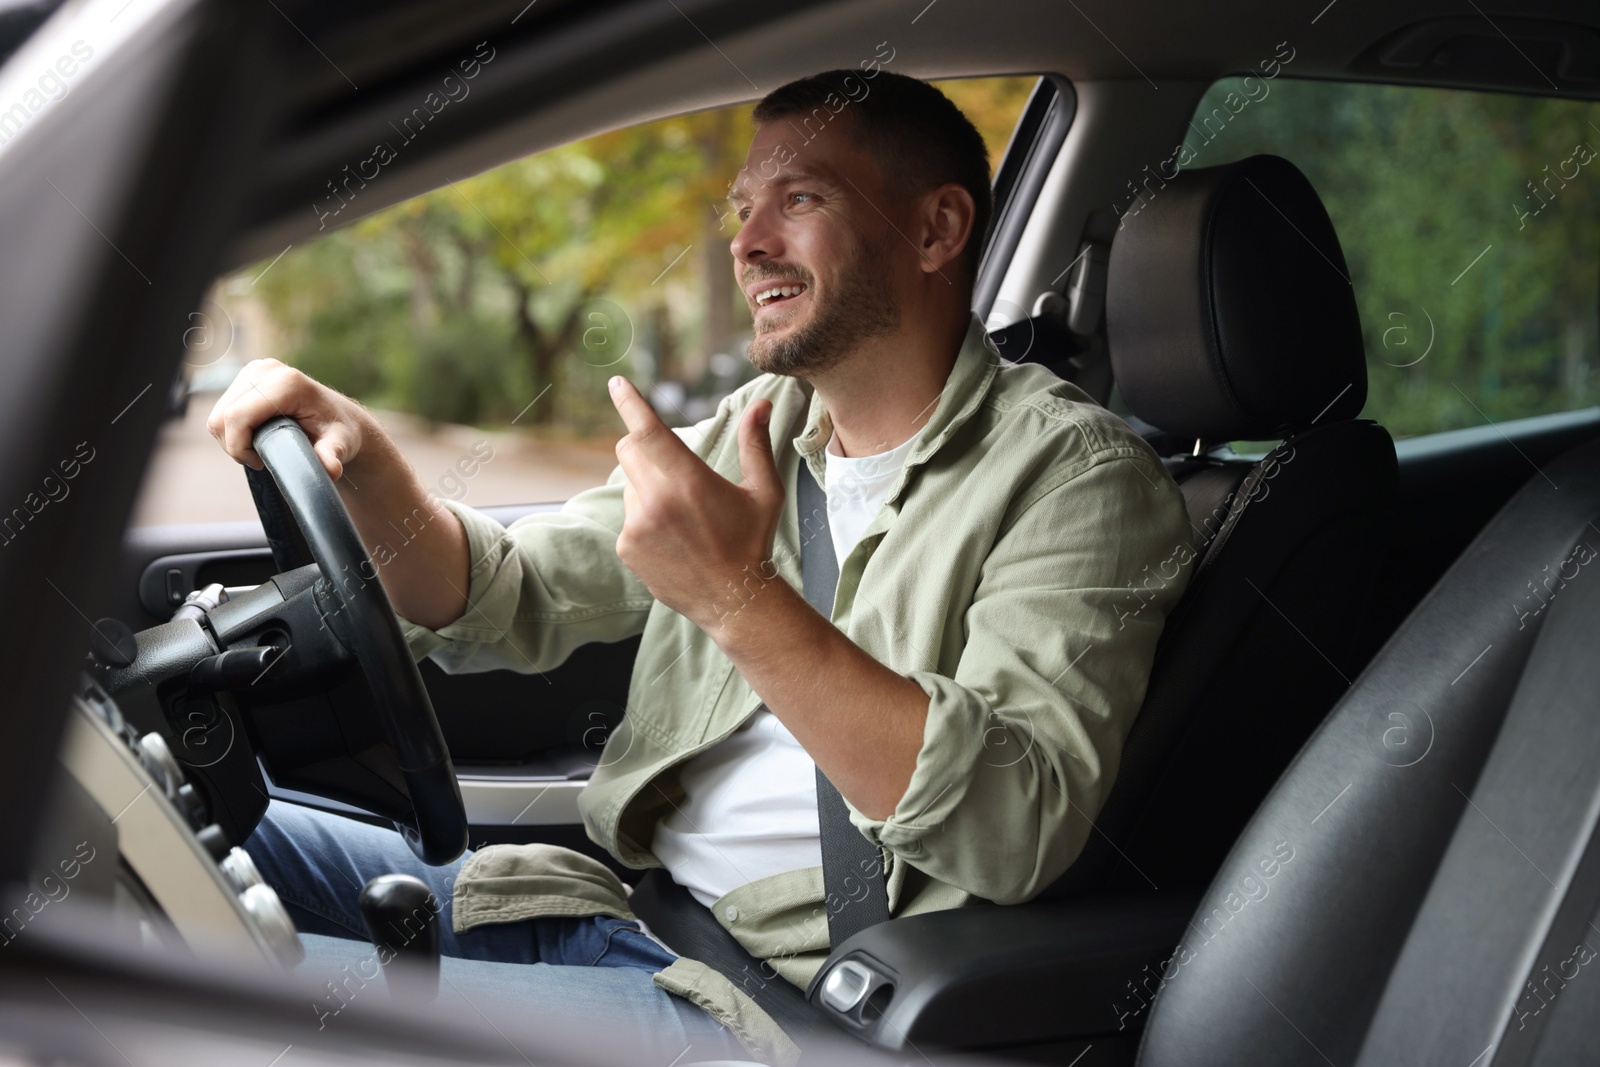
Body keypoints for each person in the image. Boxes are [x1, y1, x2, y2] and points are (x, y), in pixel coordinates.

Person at [208, 68, 1193, 1065]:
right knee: (193, 839)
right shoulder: (759, 427)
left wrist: (736, 594)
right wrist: (370, 464)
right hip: (629, 916)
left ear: (937, 231)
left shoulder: (1078, 479)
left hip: (782, 1013)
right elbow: (509, 591)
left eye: (800, 198)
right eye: (740, 208)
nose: (746, 241)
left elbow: (1013, 820)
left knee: (246, 1013)